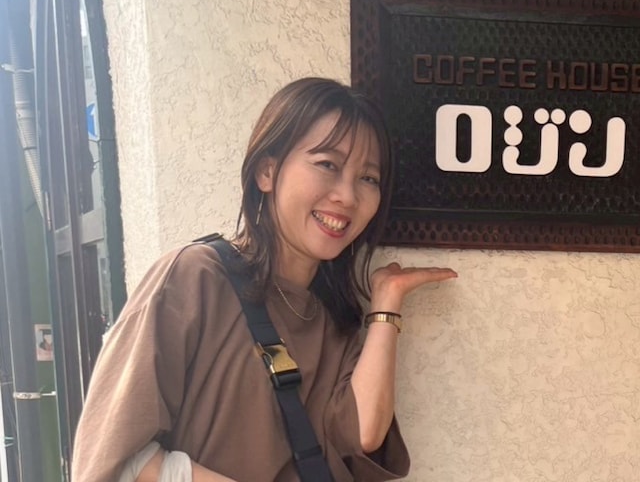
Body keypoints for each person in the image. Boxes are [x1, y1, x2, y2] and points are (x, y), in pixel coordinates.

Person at [71, 77, 458, 482]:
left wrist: (385, 305)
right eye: (327, 164)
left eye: (368, 178)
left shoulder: (332, 317)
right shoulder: (195, 277)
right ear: (266, 171)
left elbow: (361, 434)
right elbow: (114, 457)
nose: (347, 196)